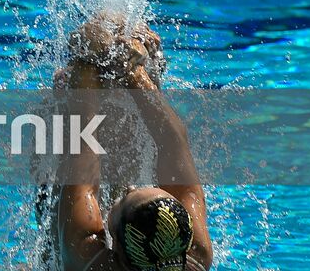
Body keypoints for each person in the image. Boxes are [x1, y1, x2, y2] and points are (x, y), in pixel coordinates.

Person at [36, 15, 213, 271]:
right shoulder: (194, 254)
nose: (130, 186)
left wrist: (87, 55)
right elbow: (173, 141)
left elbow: (82, 140)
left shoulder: (88, 258)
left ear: (114, 245)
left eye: (126, 197)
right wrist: (135, 72)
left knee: (55, 199)